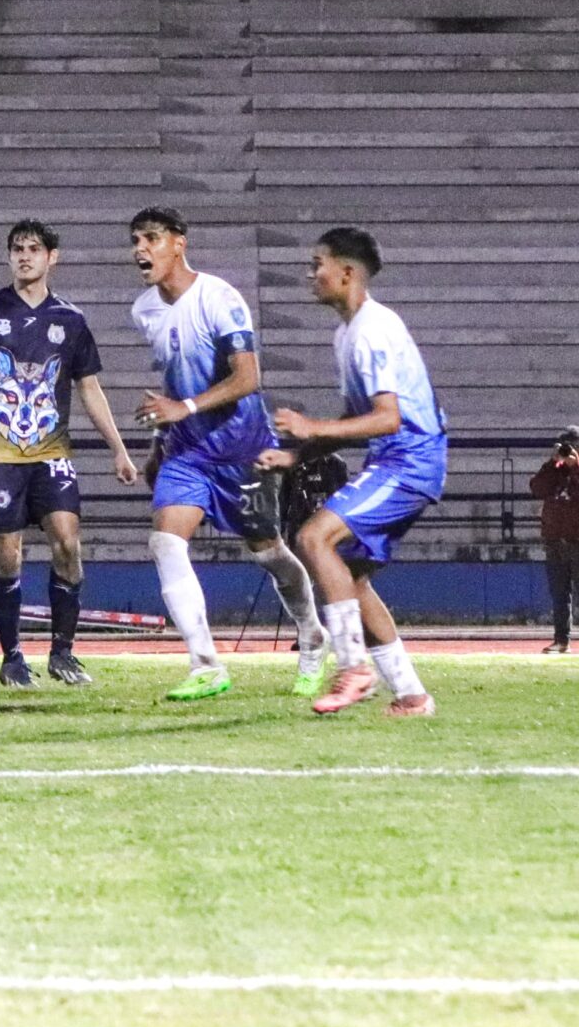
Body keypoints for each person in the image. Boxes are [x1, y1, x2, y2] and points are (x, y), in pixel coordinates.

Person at [127, 205, 328, 701]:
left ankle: (313, 634)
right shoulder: (144, 310)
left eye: (151, 238)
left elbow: (248, 378)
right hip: (189, 451)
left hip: (244, 449)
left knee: (269, 554)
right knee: (166, 543)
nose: (141, 249)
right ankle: (205, 664)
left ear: (179, 243)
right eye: (136, 240)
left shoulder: (219, 297)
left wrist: (185, 406)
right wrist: (160, 440)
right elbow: (172, 387)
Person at [261, 227, 447, 718]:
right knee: (352, 579)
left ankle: (352, 667)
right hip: (395, 459)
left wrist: (306, 426)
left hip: (410, 459)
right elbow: (352, 424)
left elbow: (388, 418)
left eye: (317, 263)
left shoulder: (371, 331)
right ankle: (412, 695)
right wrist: (297, 455)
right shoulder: (347, 333)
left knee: (314, 537)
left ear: (346, 273)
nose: (310, 273)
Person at [0, 220, 139, 688]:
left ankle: (63, 653)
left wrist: (119, 449)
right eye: (17, 249)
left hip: (52, 453)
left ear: (52, 257)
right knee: (7, 555)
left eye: (34, 249)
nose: (24, 256)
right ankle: (12, 657)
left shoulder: (70, 321)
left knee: (68, 543)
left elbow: (89, 388)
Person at [531, 426, 579, 654]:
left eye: (573, 446)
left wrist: (578, 469)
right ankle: (561, 640)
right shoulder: (555, 469)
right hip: (555, 541)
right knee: (559, 595)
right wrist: (551, 464)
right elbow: (536, 488)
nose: (569, 452)